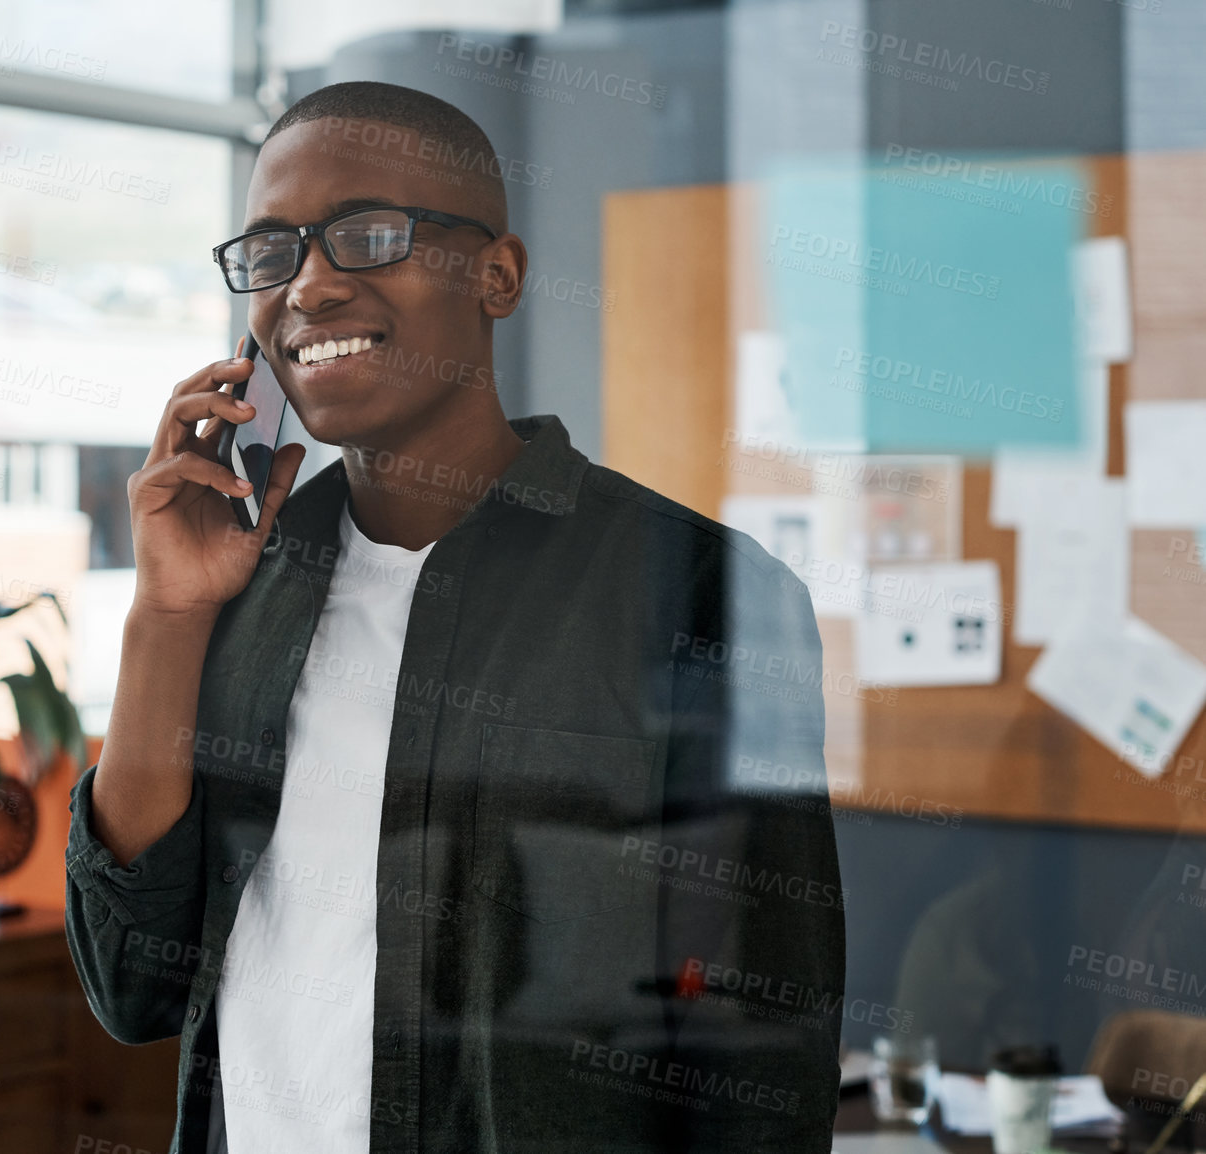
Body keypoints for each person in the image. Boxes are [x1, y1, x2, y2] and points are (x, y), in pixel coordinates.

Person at [64, 79, 845, 1153]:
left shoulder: (700, 591)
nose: (311, 286)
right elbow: (130, 983)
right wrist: (164, 613)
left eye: (368, 236)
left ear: (498, 275)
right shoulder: (241, 575)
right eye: (272, 252)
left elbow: (760, 1065)